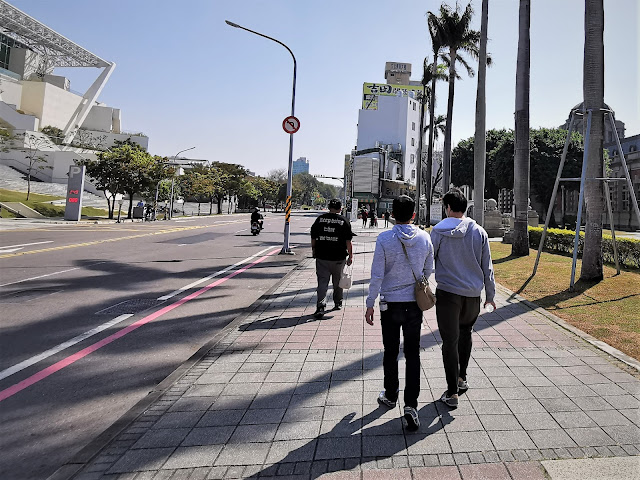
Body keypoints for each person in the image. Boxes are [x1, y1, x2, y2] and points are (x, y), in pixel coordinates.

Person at [365, 195, 433, 431]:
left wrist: (370, 302)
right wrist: (418, 282)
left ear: (392, 214)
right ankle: (411, 405)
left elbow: (377, 274)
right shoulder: (424, 238)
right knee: (413, 353)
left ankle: (391, 394)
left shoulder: (384, 239)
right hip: (414, 304)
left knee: (391, 351)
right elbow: (429, 268)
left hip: (390, 304)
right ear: (413, 214)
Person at [431, 188, 496, 408]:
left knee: (450, 341)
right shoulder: (479, 232)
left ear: (448, 208)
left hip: (448, 293)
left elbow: (429, 261)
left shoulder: (438, 232)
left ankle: (452, 393)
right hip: (472, 295)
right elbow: (487, 267)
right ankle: (462, 378)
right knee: (466, 333)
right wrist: (490, 295)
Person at [310, 199, 354, 319]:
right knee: (338, 281)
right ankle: (338, 302)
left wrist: (314, 250)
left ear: (329, 207)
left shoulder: (320, 220)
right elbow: (348, 242)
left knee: (322, 282)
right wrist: (350, 256)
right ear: (340, 208)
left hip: (322, 256)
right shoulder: (344, 221)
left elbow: (313, 237)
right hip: (339, 257)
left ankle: (320, 306)